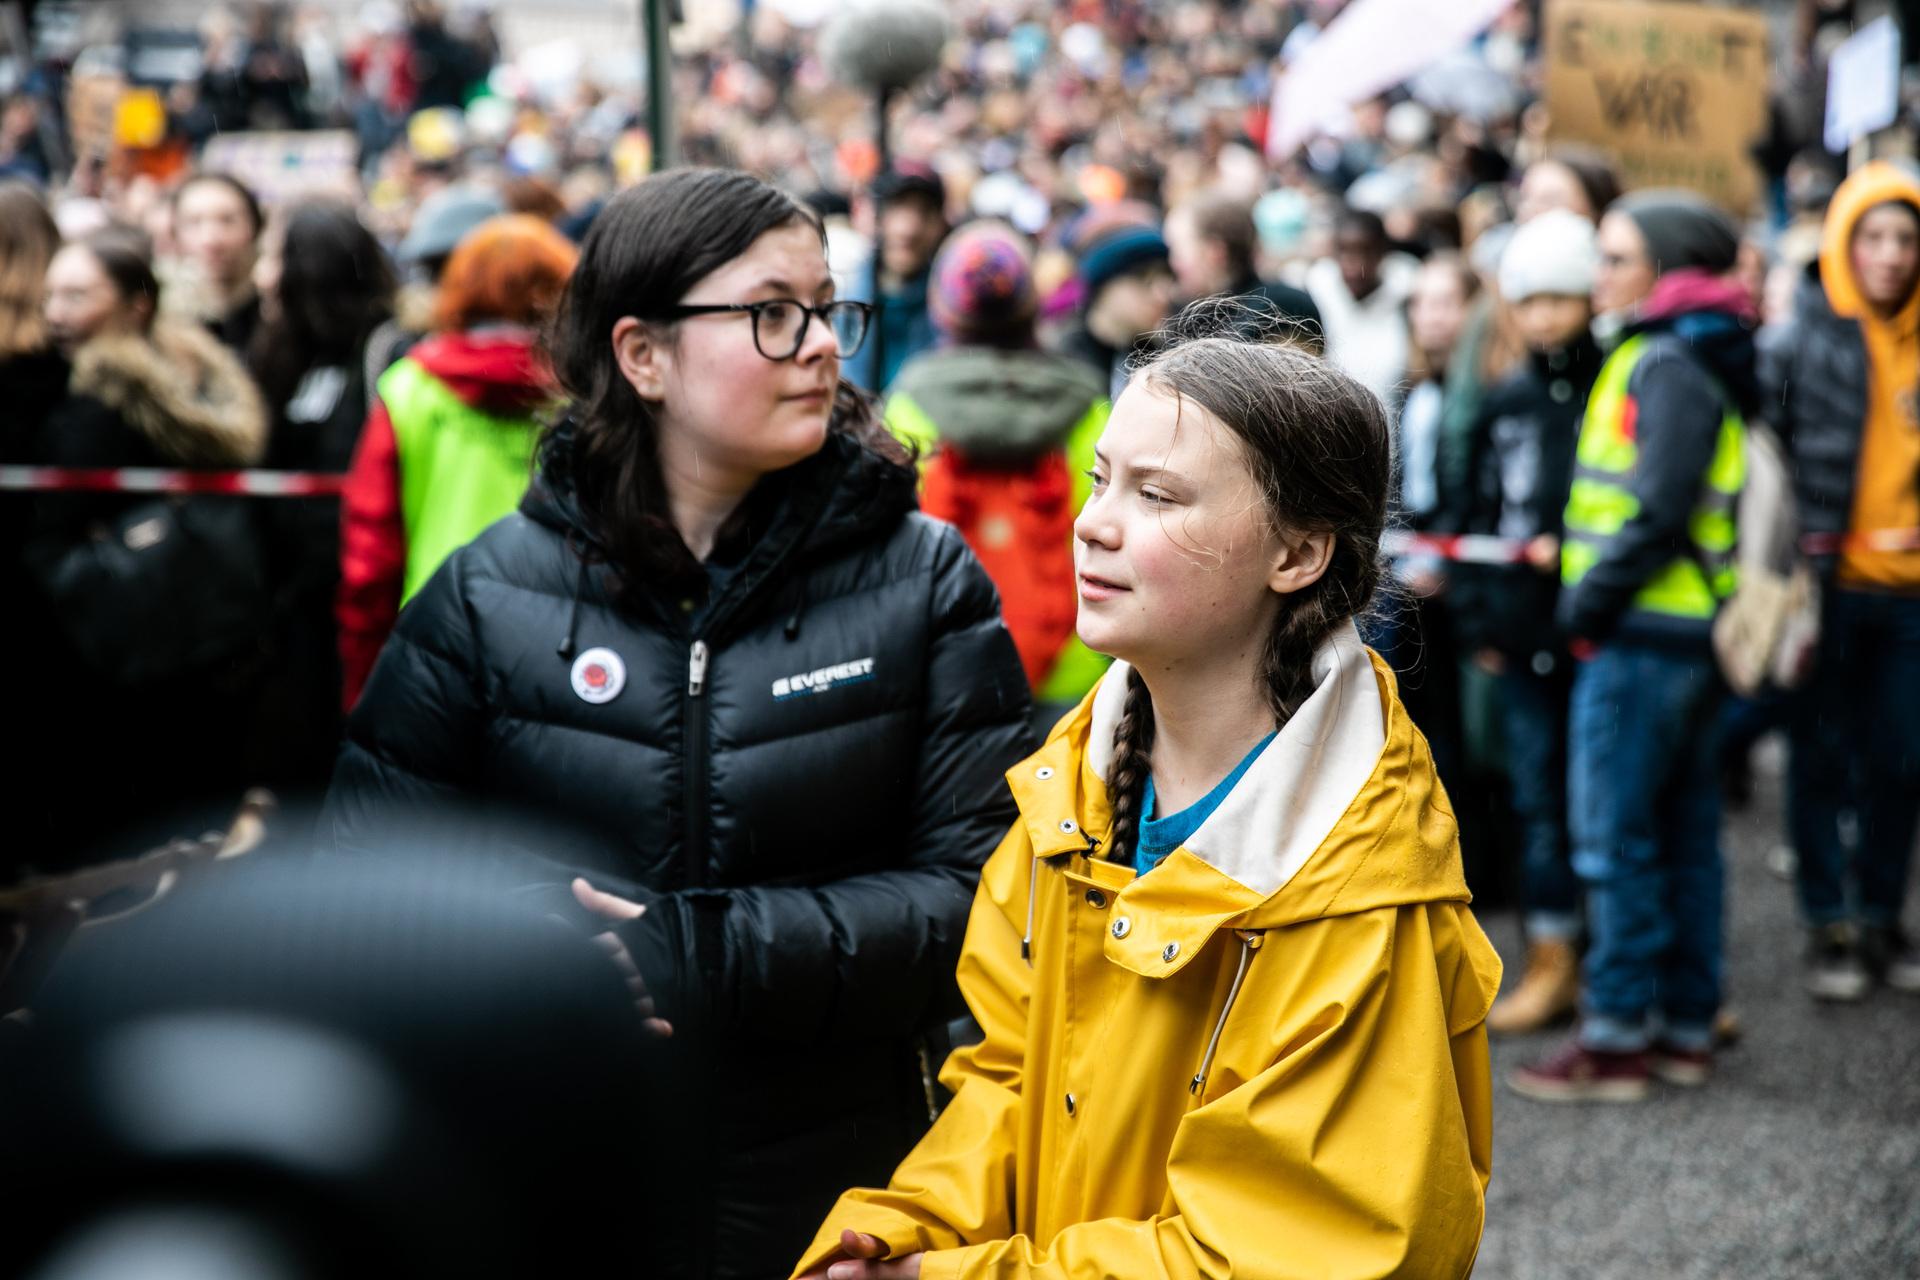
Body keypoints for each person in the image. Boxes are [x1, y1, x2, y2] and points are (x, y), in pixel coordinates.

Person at [322, 168, 1034, 1280]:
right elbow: (365, 881)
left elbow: (985, 900)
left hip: (839, 1202)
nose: (817, 345)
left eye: (827, 308)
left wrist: (699, 950)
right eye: (770, 312)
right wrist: (536, 952)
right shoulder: (485, 596)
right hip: (549, 1177)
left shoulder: (924, 578)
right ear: (642, 355)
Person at [794, 335, 1500, 1280]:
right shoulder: (1070, 789)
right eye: (1099, 481)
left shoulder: (1359, 891)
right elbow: (1008, 1078)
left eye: (1156, 496)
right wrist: (906, 1230)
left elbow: (1289, 1251)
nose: (1092, 524)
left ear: (1296, 553)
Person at [1512, 191, 1754, 1102]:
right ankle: (1683, 1028)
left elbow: (1655, 509)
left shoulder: (1666, 361)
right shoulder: (1682, 354)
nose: (1597, 274)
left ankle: (1616, 1037)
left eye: (1615, 257)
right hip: (1672, 636)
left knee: (1616, 842)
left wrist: (1588, 608)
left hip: (1644, 639)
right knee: (1683, 835)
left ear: (1664, 267)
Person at [19, 229, 269, 868]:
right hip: (187, 645)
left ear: (136, 304)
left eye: (77, 295)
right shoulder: (190, 378)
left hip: (124, 651)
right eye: (51, 295)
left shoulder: (95, 407)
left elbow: (54, 535)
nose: (56, 313)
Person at [1761, 160, 1920, 1000]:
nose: (1890, 255)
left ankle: (1884, 916)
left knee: (1900, 763)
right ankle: (1829, 922)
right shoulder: (1799, 337)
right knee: (1820, 757)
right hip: (1825, 588)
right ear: (1843, 243)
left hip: (1909, 597)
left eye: (1905, 238)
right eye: (1874, 236)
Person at [1456, 210, 1606, 1034]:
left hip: (1599, 627)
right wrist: (1483, 617)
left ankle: (1617, 959)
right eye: (1532, 300)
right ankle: (1552, 958)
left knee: (1606, 804)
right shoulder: (1505, 400)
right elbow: (1477, 509)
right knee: (1539, 798)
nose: (1547, 316)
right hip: (1521, 635)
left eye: (1562, 297)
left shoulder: (1615, 384)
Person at [337, 213, 578, 709]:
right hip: (564, 638)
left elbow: (371, 553)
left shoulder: (411, 389)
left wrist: (362, 679)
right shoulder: (580, 393)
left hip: (434, 632)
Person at [885, 223, 1109, 715]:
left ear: (943, 308)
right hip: (1073, 672)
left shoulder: (907, 410)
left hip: (945, 670)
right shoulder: (1089, 407)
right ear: (1029, 303)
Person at [247, 200, 398, 790]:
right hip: (296, 600)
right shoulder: (283, 349)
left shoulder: (385, 348)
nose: (266, 274)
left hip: (355, 582)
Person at [1164, 191, 1323, 352]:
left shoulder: (1279, 308)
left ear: (1214, 253)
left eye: (1178, 251)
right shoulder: (1188, 319)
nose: (1173, 264)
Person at [848, 164, 949, 393]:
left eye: (924, 212)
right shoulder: (843, 301)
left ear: (940, 224)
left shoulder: (948, 312)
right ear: (877, 217)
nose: (908, 229)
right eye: (897, 209)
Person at [1305, 207, 1419, 407]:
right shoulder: (1316, 289)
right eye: (1345, 252)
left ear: (1383, 252)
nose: (1355, 265)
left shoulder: (1407, 288)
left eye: (1366, 251)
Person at [1054, 224, 1176, 401]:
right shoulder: (1063, 358)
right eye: (1145, 281)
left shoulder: (1162, 360)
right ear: (1105, 286)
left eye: (1167, 282)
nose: (1161, 297)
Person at [170, 171, 266, 351]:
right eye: (194, 222)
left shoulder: (275, 317)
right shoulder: (162, 320)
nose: (211, 240)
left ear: (254, 228)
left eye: (227, 221)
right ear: (175, 234)